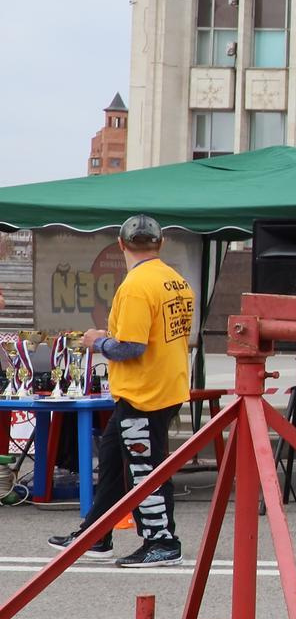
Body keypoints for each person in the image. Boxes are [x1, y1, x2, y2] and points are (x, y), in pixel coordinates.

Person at [57, 215, 194, 567]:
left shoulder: (135, 286)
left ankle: (163, 540)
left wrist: (98, 341)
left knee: (145, 469)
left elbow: (131, 348)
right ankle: (96, 534)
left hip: (143, 392)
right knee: (114, 463)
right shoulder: (175, 280)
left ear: (120, 244)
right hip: (164, 384)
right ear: (161, 243)